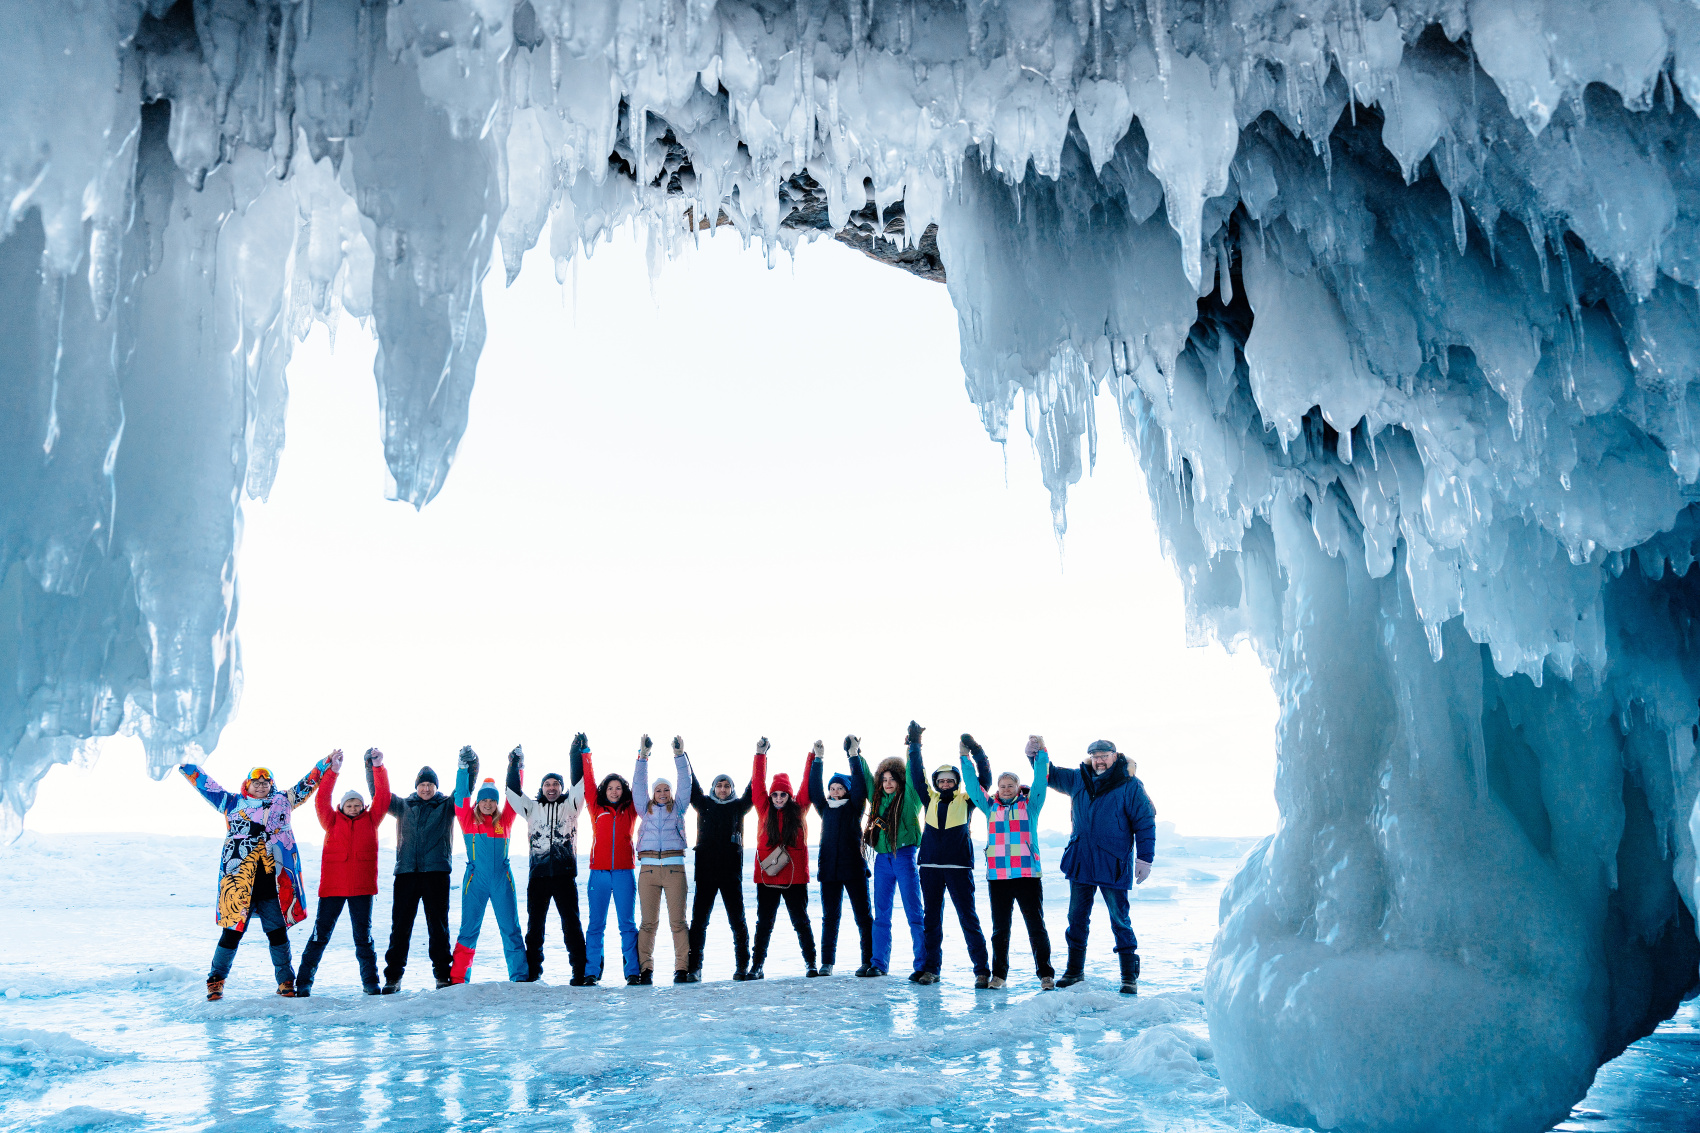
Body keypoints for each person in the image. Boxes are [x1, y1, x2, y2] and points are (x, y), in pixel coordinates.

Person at [180, 753, 334, 1000]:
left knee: (276, 932)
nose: (261, 785)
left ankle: (285, 981)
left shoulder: (283, 801)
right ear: (247, 784)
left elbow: (307, 784)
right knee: (232, 933)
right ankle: (215, 981)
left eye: (266, 782)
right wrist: (186, 764)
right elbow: (206, 784)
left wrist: (324, 763)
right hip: (239, 882)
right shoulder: (232, 803)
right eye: (256, 782)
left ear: (271, 785)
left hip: (272, 881)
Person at [1037, 738, 1156, 994]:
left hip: (1113, 862)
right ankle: (1074, 971)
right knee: (1076, 919)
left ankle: (1128, 976)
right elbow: (1050, 775)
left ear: (1114, 756)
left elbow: (1145, 822)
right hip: (1081, 861)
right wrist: (1037, 754)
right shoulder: (1079, 779)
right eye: (1094, 756)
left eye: (1104, 755)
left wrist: (1145, 858)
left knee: (1120, 920)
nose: (1099, 760)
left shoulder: (1130, 785)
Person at [296, 748, 392, 997]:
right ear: (342, 806)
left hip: (362, 890)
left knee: (364, 939)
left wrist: (378, 767)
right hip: (333, 889)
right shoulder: (331, 821)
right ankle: (303, 982)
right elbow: (321, 799)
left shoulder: (372, 820)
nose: (353, 807)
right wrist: (332, 772)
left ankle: (371, 983)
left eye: (357, 804)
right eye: (349, 804)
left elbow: (383, 797)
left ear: (363, 806)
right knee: (320, 936)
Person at [962, 736, 1054, 990]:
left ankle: (1045, 974)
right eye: (1002, 785)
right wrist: (964, 759)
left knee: (1036, 927)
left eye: (1010, 784)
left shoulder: (1030, 805)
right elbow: (972, 786)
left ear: (1017, 786)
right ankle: (999, 975)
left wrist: (1042, 752)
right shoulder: (990, 807)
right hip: (999, 877)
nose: (1005, 788)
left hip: (1027, 875)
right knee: (1000, 931)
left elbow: (1040, 782)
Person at [906, 722, 993, 987]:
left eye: (950, 780)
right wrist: (915, 743)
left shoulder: (967, 800)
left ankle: (981, 971)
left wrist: (975, 752)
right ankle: (931, 969)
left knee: (969, 919)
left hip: (958, 867)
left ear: (956, 782)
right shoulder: (929, 799)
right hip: (930, 867)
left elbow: (985, 780)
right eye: (941, 780)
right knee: (931, 920)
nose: (945, 783)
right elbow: (916, 774)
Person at [505, 734, 589, 984]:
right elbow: (511, 793)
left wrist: (576, 753)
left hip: (564, 876)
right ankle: (533, 971)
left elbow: (580, 784)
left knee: (571, 925)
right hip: (539, 877)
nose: (551, 788)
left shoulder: (571, 806)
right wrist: (514, 764)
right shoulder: (531, 808)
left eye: (555, 785)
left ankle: (580, 970)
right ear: (541, 789)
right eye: (547, 785)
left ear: (561, 788)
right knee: (535, 928)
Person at [373, 755, 458, 992]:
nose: (426, 788)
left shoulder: (446, 806)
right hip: (406, 874)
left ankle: (442, 975)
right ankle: (393, 978)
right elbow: (379, 793)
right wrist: (374, 766)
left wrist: (467, 765)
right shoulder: (402, 806)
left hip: (436, 873)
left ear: (436, 787)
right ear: (416, 787)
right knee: (400, 927)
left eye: (430, 785)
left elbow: (464, 789)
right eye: (422, 785)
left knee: (438, 927)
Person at [448, 746, 528, 984]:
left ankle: (520, 976)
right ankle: (459, 978)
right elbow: (461, 795)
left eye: (492, 800)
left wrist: (517, 767)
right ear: (478, 802)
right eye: (484, 799)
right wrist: (463, 768)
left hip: (502, 880)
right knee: (469, 930)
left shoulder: (505, 820)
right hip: (476, 881)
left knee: (510, 929)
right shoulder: (467, 819)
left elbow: (513, 794)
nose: (488, 803)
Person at [748, 738, 817, 979]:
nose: (778, 798)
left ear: (788, 795)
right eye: (775, 794)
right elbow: (758, 783)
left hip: (795, 878)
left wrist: (813, 757)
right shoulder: (763, 808)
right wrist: (760, 754)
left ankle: (811, 963)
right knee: (764, 924)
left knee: (801, 922)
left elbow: (806, 785)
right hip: (767, 876)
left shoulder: (799, 809)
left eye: (783, 794)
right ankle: (756, 966)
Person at [685, 755, 754, 981]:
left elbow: (755, 787)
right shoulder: (703, 805)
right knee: (699, 923)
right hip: (705, 874)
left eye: (726, 786)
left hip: (730, 875)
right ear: (713, 787)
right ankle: (695, 967)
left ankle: (742, 966)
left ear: (731, 789)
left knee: (737, 921)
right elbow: (692, 783)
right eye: (719, 785)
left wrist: (760, 755)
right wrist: (683, 755)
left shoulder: (738, 807)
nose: (722, 789)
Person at [809, 736, 873, 976]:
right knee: (830, 918)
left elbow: (860, 784)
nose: (835, 791)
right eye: (832, 788)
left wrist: (853, 755)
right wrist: (818, 759)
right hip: (829, 872)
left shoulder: (855, 806)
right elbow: (814, 789)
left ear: (847, 791)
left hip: (854, 869)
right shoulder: (824, 809)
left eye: (840, 788)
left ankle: (868, 960)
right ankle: (827, 963)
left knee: (863, 917)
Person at [860, 739, 925, 978]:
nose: (887, 783)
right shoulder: (876, 800)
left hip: (904, 856)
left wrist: (913, 747)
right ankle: (879, 963)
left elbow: (913, 772)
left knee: (914, 912)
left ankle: (922, 965)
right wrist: (856, 754)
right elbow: (866, 778)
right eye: (884, 779)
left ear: (900, 779)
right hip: (882, 860)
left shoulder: (910, 799)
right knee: (882, 913)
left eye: (892, 779)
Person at [633, 734, 693, 984]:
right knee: (648, 923)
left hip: (674, 871)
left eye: (666, 789)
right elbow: (638, 784)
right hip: (648, 872)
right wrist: (643, 757)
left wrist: (679, 755)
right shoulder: (644, 809)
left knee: (677, 922)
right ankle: (646, 969)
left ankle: (681, 968)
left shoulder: (678, 808)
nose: (662, 792)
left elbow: (685, 782)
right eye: (658, 789)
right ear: (652, 793)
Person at [582, 738, 641, 985]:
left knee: (627, 925)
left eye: (618, 788)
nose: (614, 791)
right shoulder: (596, 808)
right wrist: (586, 753)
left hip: (624, 873)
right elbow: (589, 783)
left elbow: (639, 785)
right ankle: (592, 972)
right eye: (610, 788)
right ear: (604, 791)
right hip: (599, 874)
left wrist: (642, 757)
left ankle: (633, 972)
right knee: (596, 925)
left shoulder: (631, 809)